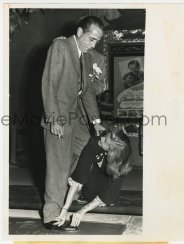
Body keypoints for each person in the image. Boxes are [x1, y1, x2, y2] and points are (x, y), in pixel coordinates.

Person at [41, 16, 106, 229]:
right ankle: (51, 214)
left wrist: (96, 121)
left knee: (89, 147)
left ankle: (70, 186)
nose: (93, 44)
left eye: (97, 41)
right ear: (79, 32)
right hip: (59, 117)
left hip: (75, 119)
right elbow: (49, 84)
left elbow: (86, 93)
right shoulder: (60, 47)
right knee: (57, 166)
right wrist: (54, 119)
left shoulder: (85, 56)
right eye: (91, 39)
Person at [52, 128, 132, 228]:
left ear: (111, 151)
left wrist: (82, 210)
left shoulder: (120, 161)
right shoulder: (94, 143)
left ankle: (97, 200)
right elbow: (79, 175)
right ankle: (86, 195)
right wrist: (65, 209)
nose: (101, 138)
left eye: (105, 141)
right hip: (92, 184)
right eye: (105, 136)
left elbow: (111, 190)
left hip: (107, 188)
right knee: (88, 192)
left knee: (109, 198)